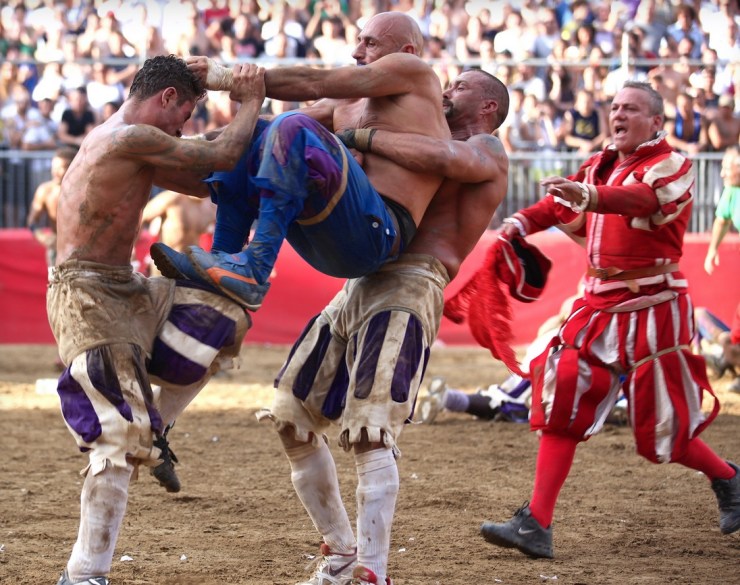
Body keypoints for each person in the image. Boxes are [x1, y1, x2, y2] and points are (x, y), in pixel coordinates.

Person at [258, 68, 509, 585]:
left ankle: (371, 572)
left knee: (370, 429)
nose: (448, 90)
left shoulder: (485, 148)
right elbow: (317, 114)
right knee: (289, 415)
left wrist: (358, 135)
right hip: (360, 280)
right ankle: (341, 552)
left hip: (411, 283)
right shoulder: (415, 131)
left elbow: (448, 160)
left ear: (489, 107)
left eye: (461, 86)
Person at [477, 81, 740, 560]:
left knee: (664, 424)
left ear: (656, 121)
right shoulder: (600, 164)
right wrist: (520, 222)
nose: (618, 114)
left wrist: (589, 196)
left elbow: (641, 200)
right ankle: (536, 523)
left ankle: (728, 478)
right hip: (598, 304)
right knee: (564, 395)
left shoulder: (673, 164)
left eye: (631, 109)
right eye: (615, 107)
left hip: (655, 305)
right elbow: (561, 203)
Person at [47, 55, 266, 585]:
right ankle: (84, 574)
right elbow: (222, 154)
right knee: (117, 437)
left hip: (127, 285)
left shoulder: (134, 141)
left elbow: (206, 176)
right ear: (167, 97)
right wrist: (252, 99)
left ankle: (158, 425)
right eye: (184, 115)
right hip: (86, 293)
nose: (182, 128)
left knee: (223, 315)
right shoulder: (127, 137)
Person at [154, 12, 450, 311]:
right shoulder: (347, 103)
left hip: (376, 235)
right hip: (329, 239)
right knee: (252, 129)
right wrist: (168, 145)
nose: (356, 51)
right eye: (359, 40)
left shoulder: (417, 73)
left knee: (292, 127)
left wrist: (225, 77)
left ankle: (254, 267)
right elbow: (257, 129)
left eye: (370, 43)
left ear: (406, 51)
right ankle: (223, 258)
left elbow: (314, 81)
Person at [703, 145, 740, 394]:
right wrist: (712, 250)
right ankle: (727, 358)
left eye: (728, 167)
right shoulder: (732, 191)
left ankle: (726, 358)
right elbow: (722, 219)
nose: (722, 173)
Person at [141, 189, 216, 277]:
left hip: (189, 268)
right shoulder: (173, 198)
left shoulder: (210, 208)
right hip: (164, 263)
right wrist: (133, 248)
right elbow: (142, 217)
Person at [26, 146, 77, 270]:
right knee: (54, 280)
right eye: (54, 167)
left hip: (81, 248)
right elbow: (32, 221)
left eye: (61, 167)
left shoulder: (84, 190)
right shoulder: (45, 190)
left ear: (73, 167)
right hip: (56, 246)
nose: (55, 172)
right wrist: (42, 237)